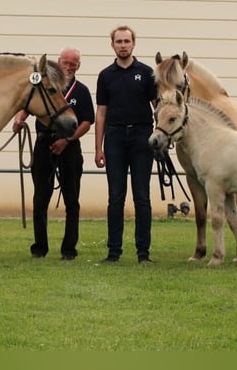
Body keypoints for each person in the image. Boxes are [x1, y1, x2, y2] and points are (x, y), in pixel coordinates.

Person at [13, 47, 95, 260]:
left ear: (79, 65)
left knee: (71, 200)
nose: (69, 67)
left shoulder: (82, 91)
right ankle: (40, 247)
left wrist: (67, 141)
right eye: (65, 63)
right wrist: (19, 119)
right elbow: (28, 107)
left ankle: (69, 249)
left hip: (70, 147)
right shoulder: (44, 86)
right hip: (44, 144)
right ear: (58, 63)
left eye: (73, 63)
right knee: (40, 198)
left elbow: (86, 122)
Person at [94, 25, 157, 263]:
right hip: (115, 138)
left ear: (133, 44)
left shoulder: (147, 73)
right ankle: (114, 252)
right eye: (118, 41)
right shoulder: (105, 75)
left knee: (142, 196)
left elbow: (157, 107)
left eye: (126, 41)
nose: (123, 45)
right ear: (112, 45)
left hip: (142, 137)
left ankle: (143, 253)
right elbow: (101, 113)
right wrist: (98, 148)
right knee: (116, 197)